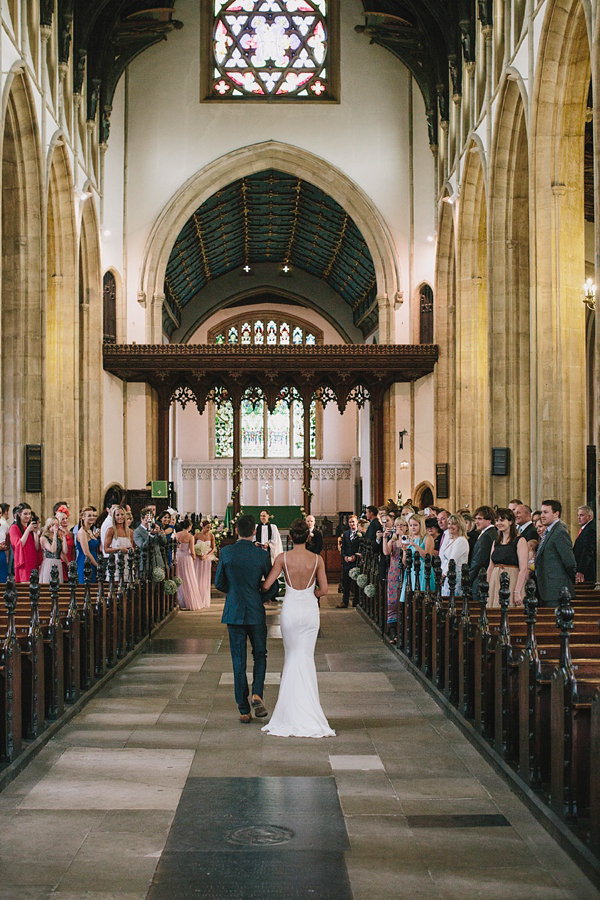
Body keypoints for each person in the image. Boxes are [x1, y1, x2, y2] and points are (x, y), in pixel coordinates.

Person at [260, 518, 334, 738]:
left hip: (291, 610)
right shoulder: (317, 559)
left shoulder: (283, 558)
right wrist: (309, 594)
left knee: (292, 655)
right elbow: (325, 590)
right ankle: (309, 711)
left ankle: (289, 712)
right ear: (307, 537)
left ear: (290, 537)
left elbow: (267, 585)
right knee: (306, 657)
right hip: (310, 611)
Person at [215, 514, 278, 722]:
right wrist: (260, 597)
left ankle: (243, 709)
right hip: (255, 611)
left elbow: (219, 583)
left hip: (233, 611)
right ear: (254, 532)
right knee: (260, 654)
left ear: (236, 531)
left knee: (238, 660)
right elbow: (273, 585)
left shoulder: (226, 552)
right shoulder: (261, 555)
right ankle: (257, 693)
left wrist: (234, 593)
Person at [535, 500, 577, 606]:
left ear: (556, 514)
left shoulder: (560, 532)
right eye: (541, 512)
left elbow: (569, 562)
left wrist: (566, 580)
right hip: (547, 589)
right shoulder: (550, 531)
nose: (542, 516)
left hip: (556, 589)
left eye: (546, 512)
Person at [486, 508, 529, 608]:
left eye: (502, 520)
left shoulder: (520, 540)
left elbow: (523, 569)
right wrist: (487, 587)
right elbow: (490, 567)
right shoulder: (495, 542)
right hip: (495, 580)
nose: (498, 523)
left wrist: (517, 591)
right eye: (496, 520)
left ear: (510, 522)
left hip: (512, 579)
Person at [398, 513, 435, 603]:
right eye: (410, 525)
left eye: (415, 525)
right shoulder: (409, 538)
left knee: (421, 599)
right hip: (411, 571)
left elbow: (427, 556)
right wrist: (404, 551)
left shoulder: (427, 538)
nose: (413, 528)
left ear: (421, 525)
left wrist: (415, 545)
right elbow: (404, 562)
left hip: (423, 570)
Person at [383, 516, 408, 634]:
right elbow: (386, 552)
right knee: (393, 598)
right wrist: (384, 538)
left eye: (402, 526)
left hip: (404, 571)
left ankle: (402, 627)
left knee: (402, 598)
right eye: (397, 526)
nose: (399, 528)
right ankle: (393, 626)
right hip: (393, 572)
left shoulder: (408, 539)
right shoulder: (392, 541)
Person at [469, 506, 498, 603]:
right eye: (476, 519)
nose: (476, 522)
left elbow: (478, 561)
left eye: (480, 519)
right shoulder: (490, 533)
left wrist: (469, 578)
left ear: (489, 520)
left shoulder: (487, 536)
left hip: (481, 578)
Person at [175, 518, 204, 610]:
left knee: (179, 576)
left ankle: (179, 601)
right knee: (188, 578)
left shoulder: (177, 534)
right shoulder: (190, 536)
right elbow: (192, 551)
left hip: (178, 557)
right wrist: (194, 558)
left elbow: (175, 547)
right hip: (186, 558)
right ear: (190, 526)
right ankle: (189, 601)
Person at [439, 513, 469, 597]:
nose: (450, 526)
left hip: (455, 576)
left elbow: (452, 560)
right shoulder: (452, 540)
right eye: (449, 523)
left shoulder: (461, 541)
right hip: (448, 575)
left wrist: (443, 574)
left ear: (460, 526)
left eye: (454, 524)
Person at [10, 504, 40, 583]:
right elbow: (18, 545)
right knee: (25, 585)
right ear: (19, 514)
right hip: (23, 562)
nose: (28, 516)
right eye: (25, 514)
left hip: (32, 560)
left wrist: (36, 533)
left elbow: (36, 547)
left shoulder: (28, 528)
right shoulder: (14, 527)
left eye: (29, 513)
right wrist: (27, 530)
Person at [103, 506, 133, 578]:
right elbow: (106, 549)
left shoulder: (130, 532)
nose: (120, 517)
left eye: (122, 514)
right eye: (117, 515)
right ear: (114, 517)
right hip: (115, 562)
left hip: (127, 562)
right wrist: (119, 550)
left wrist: (131, 550)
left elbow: (131, 547)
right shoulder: (111, 530)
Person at [338, 514, 360, 608]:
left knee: (356, 583)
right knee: (346, 582)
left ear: (357, 522)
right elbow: (343, 548)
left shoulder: (360, 534)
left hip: (356, 561)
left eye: (353, 522)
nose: (352, 524)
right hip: (347, 561)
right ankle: (345, 601)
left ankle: (356, 602)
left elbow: (361, 547)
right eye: (350, 522)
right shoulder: (346, 534)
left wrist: (355, 555)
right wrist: (345, 556)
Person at [194, 520, 215, 609]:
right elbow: (192, 547)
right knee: (197, 577)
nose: (209, 529)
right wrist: (198, 555)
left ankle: (204, 599)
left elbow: (213, 548)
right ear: (202, 527)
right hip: (198, 559)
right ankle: (197, 598)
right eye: (207, 527)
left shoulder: (211, 536)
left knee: (205, 578)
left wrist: (207, 555)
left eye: (210, 528)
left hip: (206, 559)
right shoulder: (197, 535)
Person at [39, 517, 68, 583]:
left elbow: (65, 551)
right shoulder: (43, 538)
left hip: (58, 563)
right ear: (49, 526)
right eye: (53, 525)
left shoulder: (58, 538)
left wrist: (64, 537)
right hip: (49, 563)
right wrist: (54, 534)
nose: (55, 527)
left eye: (57, 525)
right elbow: (53, 549)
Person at [76, 507, 100, 583]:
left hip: (93, 560)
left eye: (93, 516)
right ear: (83, 517)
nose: (92, 518)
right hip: (85, 562)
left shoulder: (90, 530)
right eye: (89, 516)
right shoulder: (82, 532)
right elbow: (86, 552)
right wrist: (97, 565)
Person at [574, 505, 596, 584]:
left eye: (581, 515)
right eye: (578, 515)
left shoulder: (590, 530)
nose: (578, 518)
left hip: (587, 571)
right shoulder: (586, 529)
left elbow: (588, 551)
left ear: (589, 517)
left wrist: (580, 570)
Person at [55, 503, 75, 580]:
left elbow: (73, 549)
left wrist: (73, 562)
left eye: (66, 518)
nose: (65, 521)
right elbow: (60, 551)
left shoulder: (71, 533)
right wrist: (67, 563)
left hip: (71, 561)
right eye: (63, 519)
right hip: (62, 562)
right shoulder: (58, 533)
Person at [0, 503, 10, 582]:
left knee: (3, 579)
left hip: (2, 555)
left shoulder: (4, 526)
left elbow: (8, 542)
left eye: (0, 513)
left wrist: (5, 546)